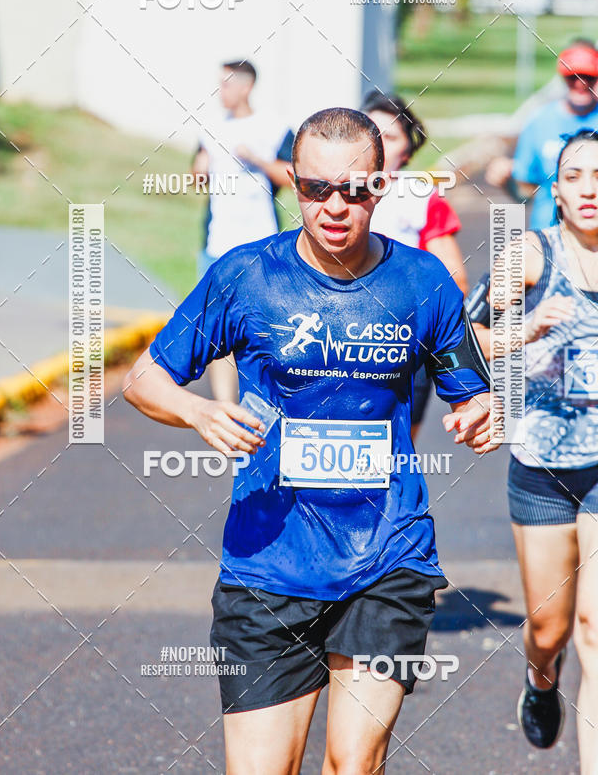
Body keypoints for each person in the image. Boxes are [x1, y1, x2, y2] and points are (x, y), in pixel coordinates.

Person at [125, 107, 500, 775]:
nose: (335, 206)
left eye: (354, 189)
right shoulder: (246, 276)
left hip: (388, 554)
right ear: (293, 183)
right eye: (316, 188)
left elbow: (473, 386)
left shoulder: (423, 282)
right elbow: (144, 379)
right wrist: (195, 413)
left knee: (353, 765)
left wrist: (483, 412)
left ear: (381, 186)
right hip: (268, 565)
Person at [473, 129, 598, 769]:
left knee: (595, 632)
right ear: (555, 189)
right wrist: (523, 333)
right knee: (549, 631)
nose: (590, 188)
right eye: (575, 176)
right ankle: (539, 678)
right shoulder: (525, 252)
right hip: (545, 463)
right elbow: (469, 339)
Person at [361, 91, 469, 440]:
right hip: (335, 332)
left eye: (389, 137)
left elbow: (454, 279)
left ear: (407, 151)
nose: (376, 143)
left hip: (401, 343)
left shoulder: (421, 196)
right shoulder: (334, 191)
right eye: (369, 132)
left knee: (394, 449)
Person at [191, 59, 295, 402]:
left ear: (246, 86)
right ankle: (225, 407)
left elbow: (294, 178)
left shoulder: (275, 127)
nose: (221, 91)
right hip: (216, 242)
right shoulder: (210, 128)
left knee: (262, 328)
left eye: (227, 83)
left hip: (262, 244)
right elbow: (196, 178)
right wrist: (201, 165)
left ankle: (262, 404)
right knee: (217, 332)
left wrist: (258, 160)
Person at [485, 39, 598, 230]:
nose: (580, 83)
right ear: (562, 77)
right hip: (549, 236)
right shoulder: (539, 122)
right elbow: (525, 195)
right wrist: (506, 181)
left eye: (588, 76)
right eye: (573, 76)